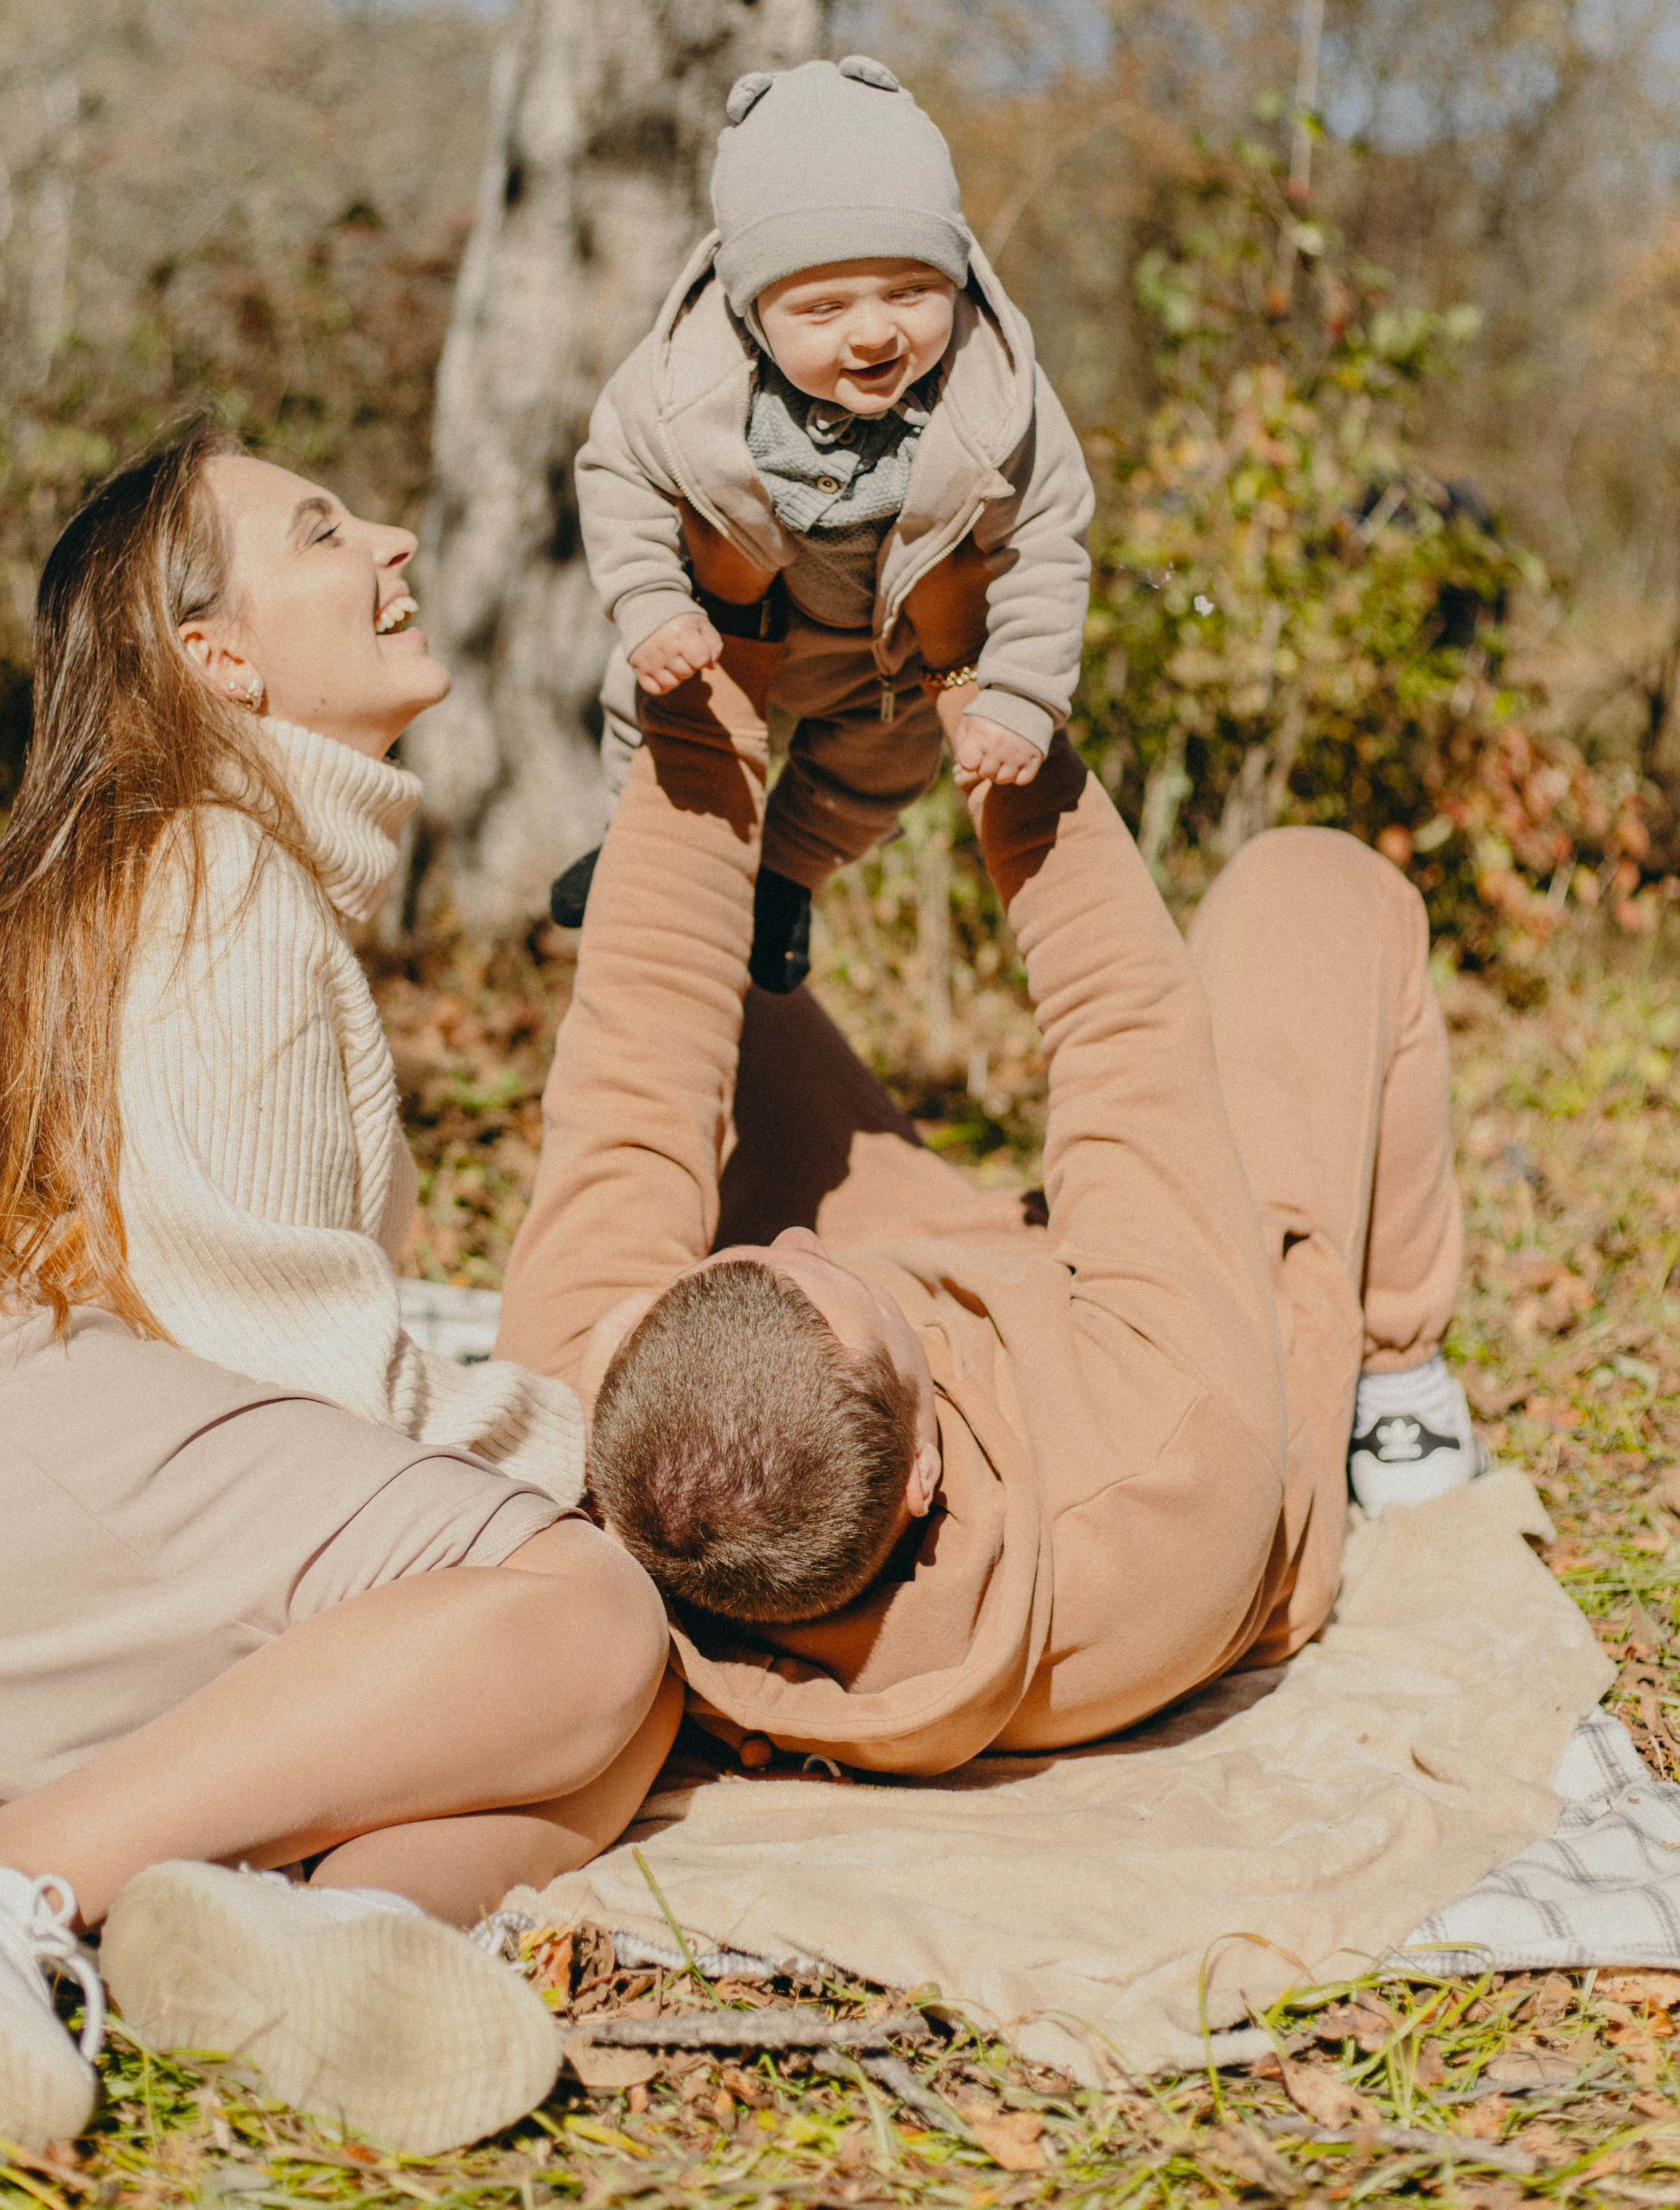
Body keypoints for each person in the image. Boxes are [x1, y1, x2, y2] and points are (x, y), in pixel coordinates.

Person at [0, 424, 677, 2154]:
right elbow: (273, 1357)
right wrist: (575, 1454)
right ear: (211, 654)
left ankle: (306, 1934)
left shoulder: (105, 875)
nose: (392, 540)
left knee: (586, 1742)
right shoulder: (219, 869)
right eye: (319, 528)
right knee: (588, 1618)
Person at [494, 626, 1486, 1776]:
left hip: (934, 1310)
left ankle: (755, 875)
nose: (804, 1230)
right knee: (1311, 883)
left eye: (765, 1254)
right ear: (924, 1476)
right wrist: (975, 675)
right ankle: (1401, 1384)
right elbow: (1124, 1029)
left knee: (700, 999)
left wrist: (723, 666)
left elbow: (636, 1058)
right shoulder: (1166, 1459)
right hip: (1195, 1366)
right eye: (823, 1268)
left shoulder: (591, 1420)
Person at [553, 55, 1095, 992]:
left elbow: (1049, 537)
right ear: (753, 311)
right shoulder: (685, 381)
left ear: (956, 279)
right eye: (824, 306)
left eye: (911, 291)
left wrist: (1021, 693)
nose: (875, 333)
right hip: (728, 625)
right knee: (654, 710)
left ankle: (785, 882)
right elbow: (616, 472)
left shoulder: (994, 393)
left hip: (880, 659)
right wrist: (646, 597)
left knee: (877, 773)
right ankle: (626, 843)